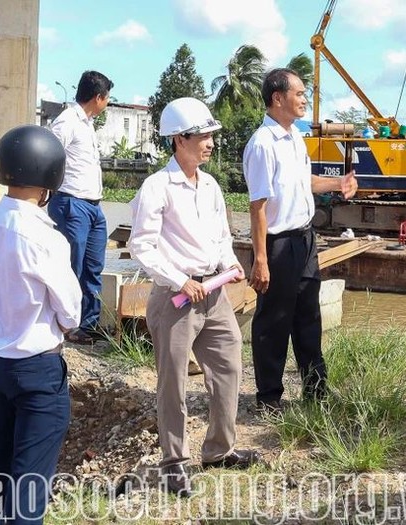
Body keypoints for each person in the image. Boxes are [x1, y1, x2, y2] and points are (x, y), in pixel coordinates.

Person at [128, 97, 260, 497]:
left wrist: (228, 265)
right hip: (175, 299)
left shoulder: (211, 186)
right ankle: (173, 462)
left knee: (229, 367)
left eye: (210, 136)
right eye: (203, 136)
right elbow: (142, 246)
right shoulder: (157, 187)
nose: (210, 143)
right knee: (173, 383)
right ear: (179, 139)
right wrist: (179, 279)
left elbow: (220, 236)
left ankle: (219, 450)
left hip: (213, 295)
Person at [0, 125, 82, 524]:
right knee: (29, 484)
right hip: (37, 367)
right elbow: (70, 310)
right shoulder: (45, 236)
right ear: (50, 175)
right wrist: (64, 322)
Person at [242, 68, 358, 413]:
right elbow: (258, 206)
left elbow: (304, 181)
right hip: (278, 245)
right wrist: (260, 259)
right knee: (273, 322)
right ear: (278, 98)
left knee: (309, 315)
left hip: (305, 240)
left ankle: (316, 390)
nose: (305, 99)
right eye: (299, 93)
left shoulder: (294, 137)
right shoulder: (262, 144)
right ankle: (269, 398)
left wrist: (337, 184)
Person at [47, 70, 113, 345]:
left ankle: (89, 324)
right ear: (98, 97)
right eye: (107, 97)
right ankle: (67, 324)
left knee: (93, 267)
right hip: (72, 203)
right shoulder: (67, 122)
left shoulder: (86, 123)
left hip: (93, 207)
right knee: (70, 267)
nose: (107, 102)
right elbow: (49, 156)